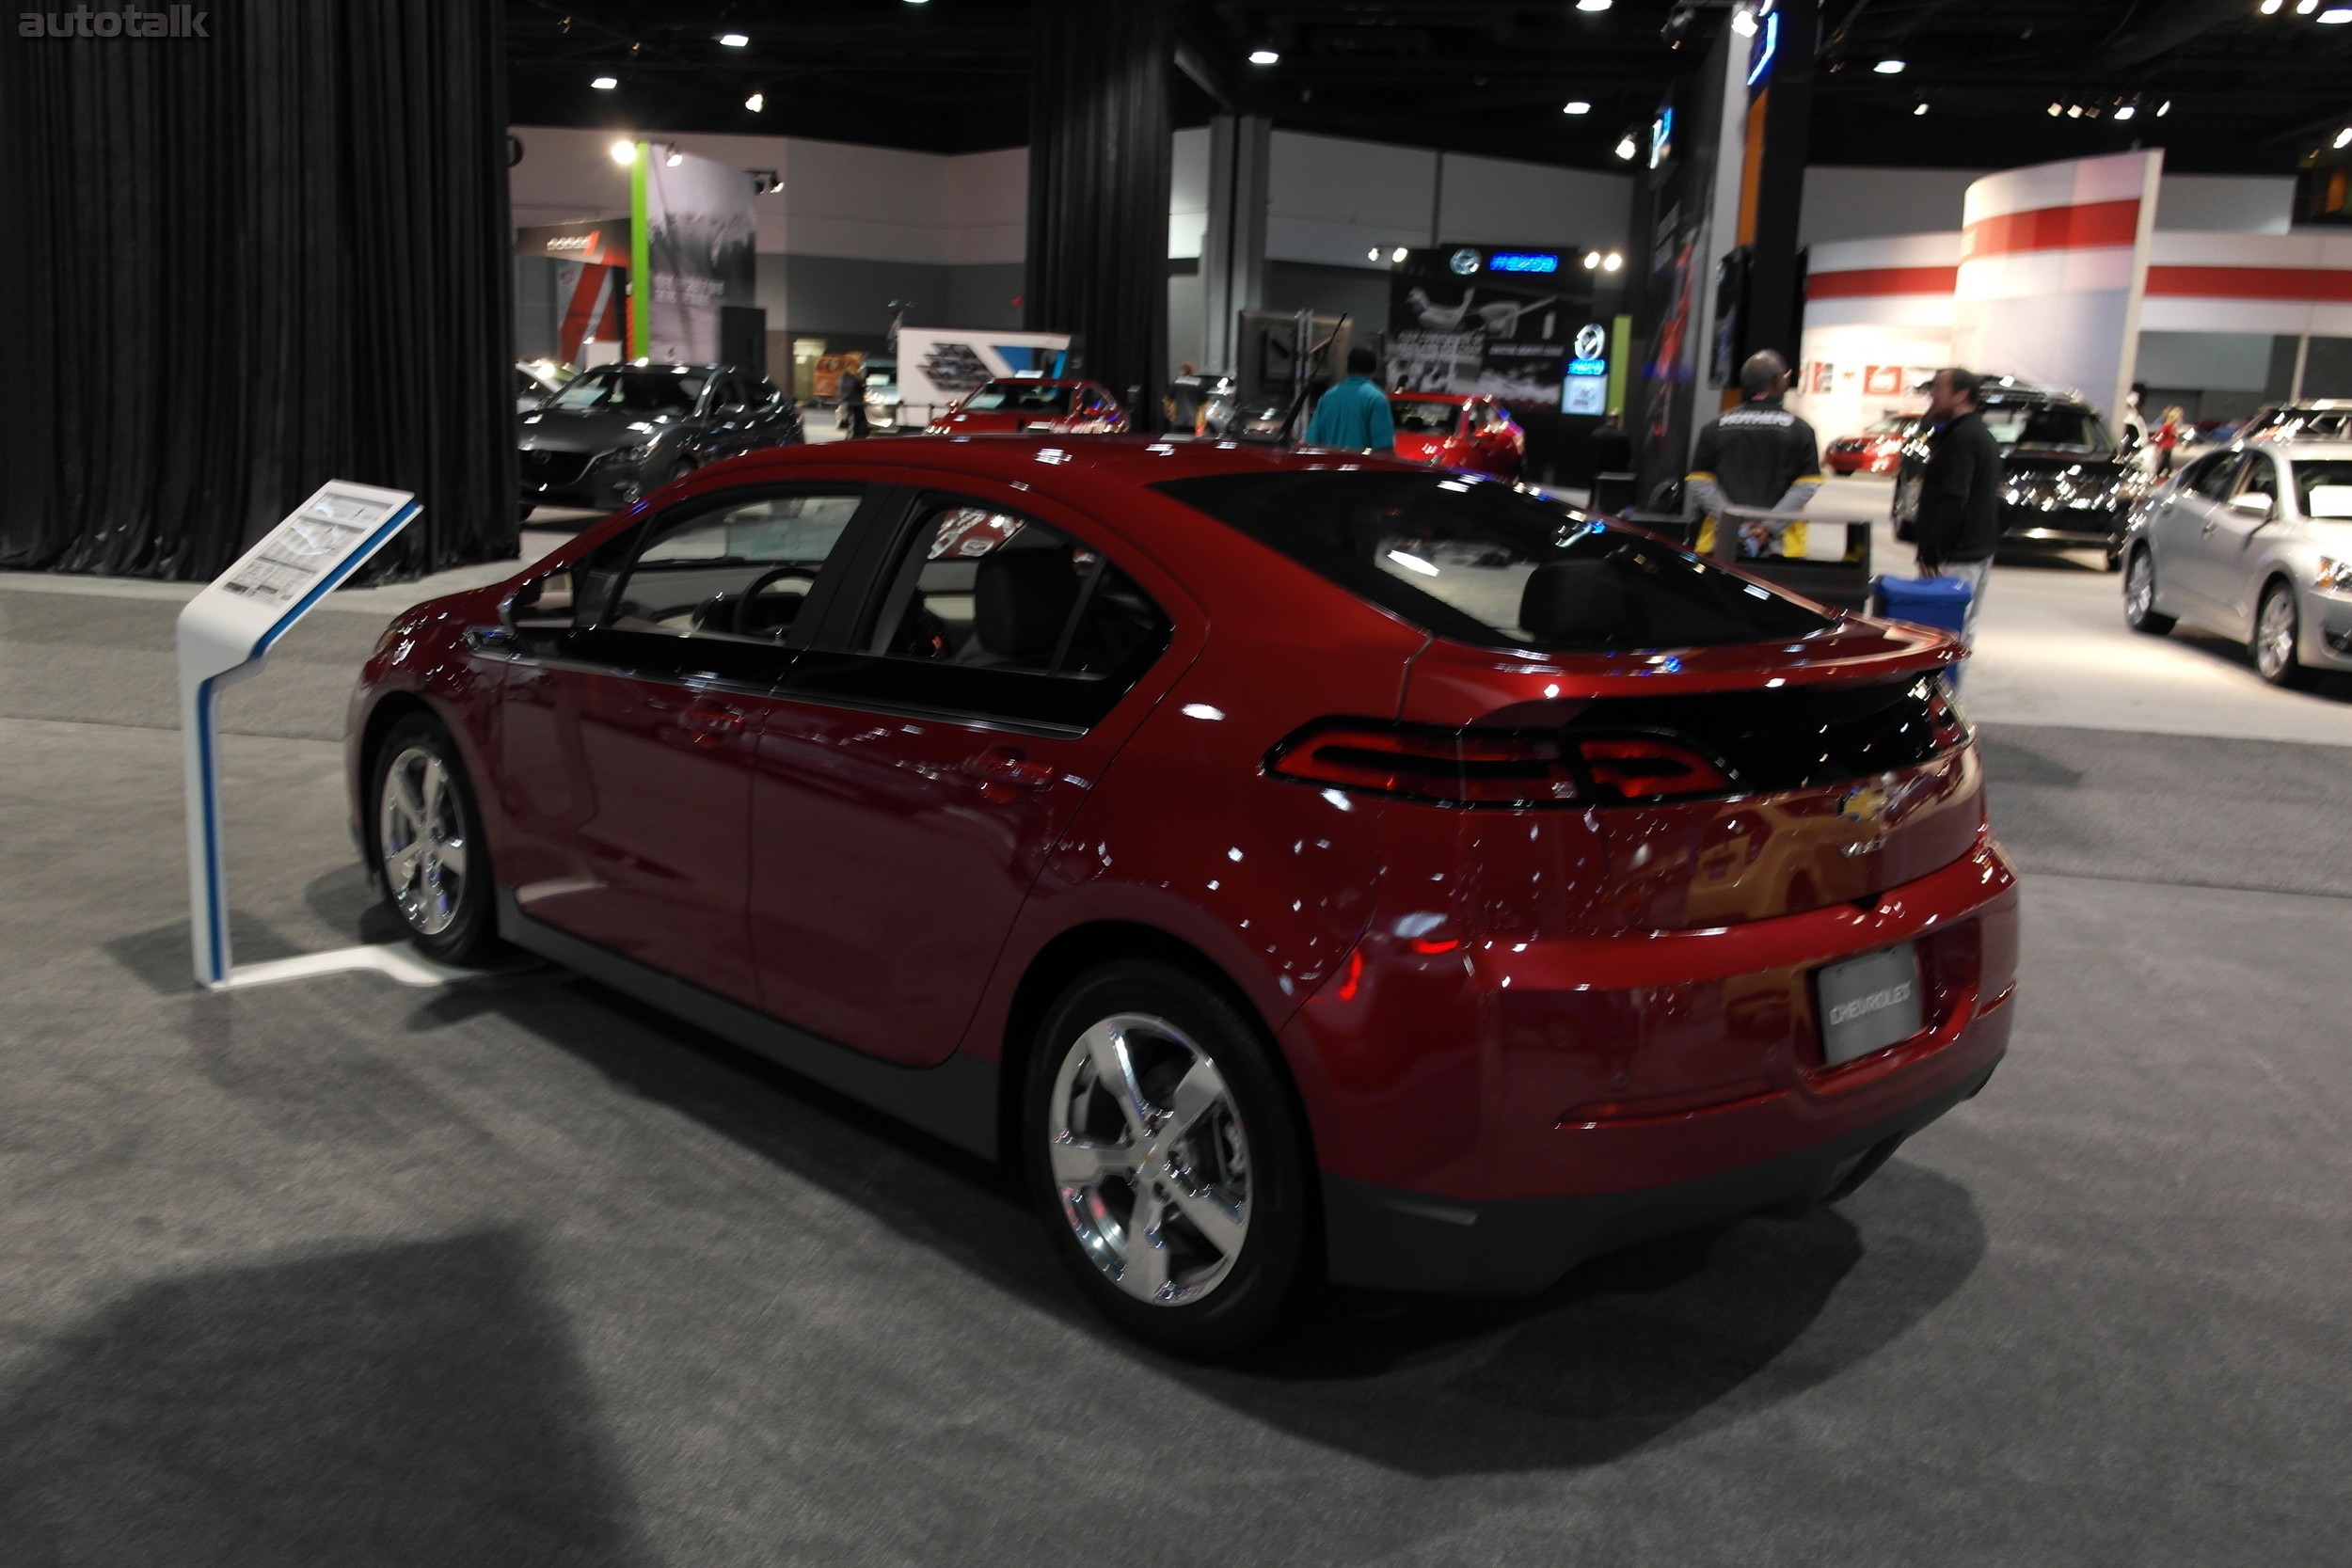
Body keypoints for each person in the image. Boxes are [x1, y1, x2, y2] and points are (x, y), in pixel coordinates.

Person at [1685, 349, 1823, 559]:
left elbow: (1699, 482)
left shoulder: (1714, 426)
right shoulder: (1801, 429)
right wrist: (1767, 526)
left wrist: (1733, 523)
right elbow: (1806, 486)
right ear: (1777, 381)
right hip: (1782, 549)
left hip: (1719, 543)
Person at [1912, 366, 2003, 645]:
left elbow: (1954, 498)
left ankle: (1940, 688)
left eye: (1938, 389)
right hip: (1973, 551)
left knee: (1940, 636)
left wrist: (1932, 551)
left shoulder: (1962, 439)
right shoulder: (1978, 434)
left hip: (1955, 557)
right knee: (1959, 632)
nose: (1932, 395)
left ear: (1961, 394)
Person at [1304, 344, 1395, 454]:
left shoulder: (1327, 397)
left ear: (1347, 368)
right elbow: (1383, 450)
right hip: (1358, 468)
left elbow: (1311, 442)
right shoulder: (1376, 399)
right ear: (1374, 369)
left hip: (1328, 468)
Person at [837, 362, 869, 439]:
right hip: (853, 402)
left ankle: (856, 434)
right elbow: (847, 390)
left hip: (855, 402)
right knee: (856, 419)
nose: (858, 369)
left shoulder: (852, 377)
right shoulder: (849, 377)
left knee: (858, 419)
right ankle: (855, 435)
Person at [2153, 404, 2185, 477]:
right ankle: (2166, 471)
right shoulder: (2170, 427)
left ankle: (2160, 472)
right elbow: (2162, 434)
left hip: (2168, 445)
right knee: (2166, 459)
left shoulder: (2171, 427)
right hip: (2168, 445)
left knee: (2166, 459)